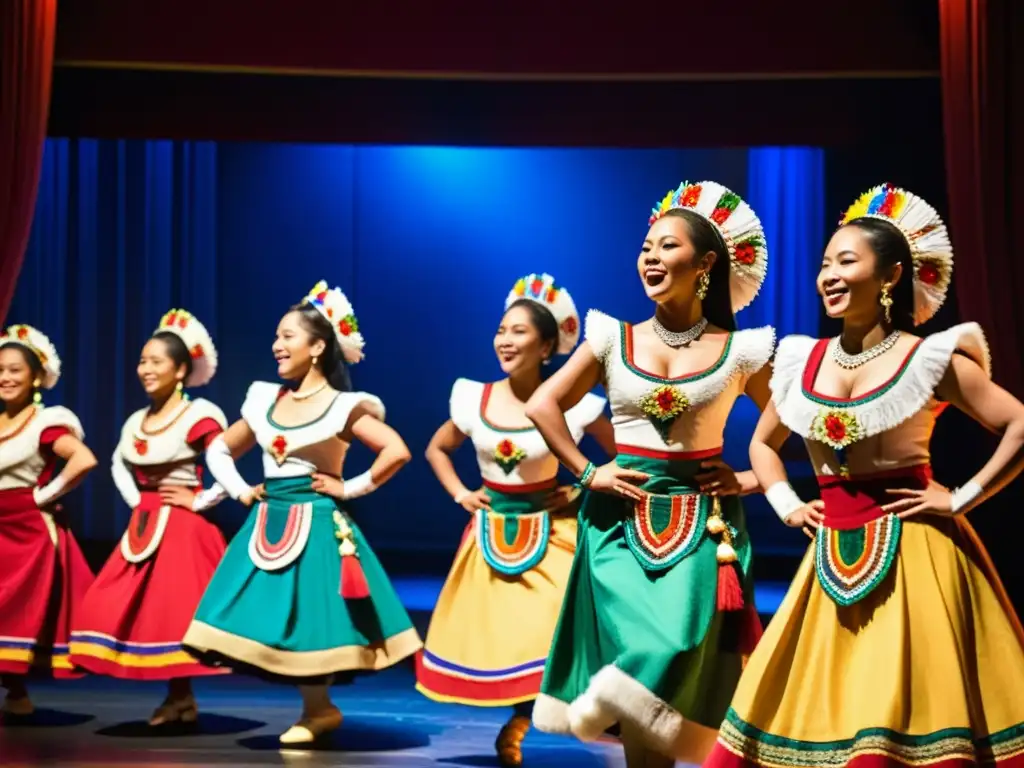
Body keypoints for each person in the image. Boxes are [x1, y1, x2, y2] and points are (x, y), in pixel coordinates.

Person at [707, 183, 1024, 768]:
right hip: (830, 554)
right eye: (825, 263)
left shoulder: (930, 359)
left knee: (899, 711)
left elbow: (1018, 425)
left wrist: (961, 498)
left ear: (891, 275)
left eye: (846, 261)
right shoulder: (803, 359)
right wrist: (786, 504)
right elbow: (762, 444)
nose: (828, 274)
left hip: (919, 556)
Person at [527, 181, 776, 767]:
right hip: (617, 522)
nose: (650, 257)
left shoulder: (740, 350)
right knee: (639, 651)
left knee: (672, 645)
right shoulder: (612, 337)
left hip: (702, 527)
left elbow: (795, 426)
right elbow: (544, 405)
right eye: (646, 246)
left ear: (707, 263)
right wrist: (589, 473)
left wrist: (752, 479)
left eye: (667, 246)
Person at [182, 281, 421, 745]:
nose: (277, 344)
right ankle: (318, 708)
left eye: (288, 335)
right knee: (262, 611)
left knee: (313, 617)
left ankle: (318, 710)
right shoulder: (266, 400)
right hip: (268, 520)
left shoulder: (342, 406)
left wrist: (348, 488)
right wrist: (239, 491)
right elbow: (218, 451)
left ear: (317, 346)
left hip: (316, 524)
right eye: (277, 335)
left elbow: (397, 451)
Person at [416, 273, 615, 767]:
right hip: (490, 534)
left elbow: (619, 457)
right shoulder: (474, 398)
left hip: (555, 534)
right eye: (501, 329)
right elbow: (437, 448)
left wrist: (577, 486)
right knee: (502, 639)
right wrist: (462, 492)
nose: (505, 339)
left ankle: (531, 721)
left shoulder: (572, 406)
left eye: (519, 331)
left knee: (549, 635)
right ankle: (518, 722)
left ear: (548, 344)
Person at [70, 309, 230, 725]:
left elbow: (226, 459)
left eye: (156, 361)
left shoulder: (198, 417)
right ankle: (179, 698)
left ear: (180, 369)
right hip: (145, 525)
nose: (146, 368)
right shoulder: (137, 421)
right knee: (115, 606)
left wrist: (202, 499)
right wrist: (138, 502)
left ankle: (180, 696)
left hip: (182, 529)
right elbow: (118, 463)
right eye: (143, 360)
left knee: (173, 612)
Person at [0, 324, 97, 716]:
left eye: (14, 370)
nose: (5, 377)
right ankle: (15, 692)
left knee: (14, 610)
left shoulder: (46, 420)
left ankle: (17, 690)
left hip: (25, 533)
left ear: (36, 377)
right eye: (0, 370)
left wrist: (40, 497)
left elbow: (83, 459)